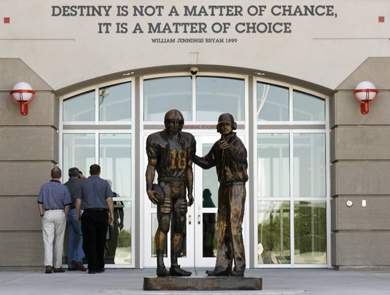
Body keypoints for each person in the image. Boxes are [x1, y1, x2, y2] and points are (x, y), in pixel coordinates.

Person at [193, 113, 248, 276]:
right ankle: (223, 266)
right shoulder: (218, 145)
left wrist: (229, 149)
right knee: (222, 226)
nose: (224, 127)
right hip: (223, 187)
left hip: (237, 186)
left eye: (227, 124)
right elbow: (206, 162)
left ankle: (239, 266)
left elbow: (242, 159)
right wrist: (191, 156)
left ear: (233, 126)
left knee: (235, 227)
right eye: (221, 124)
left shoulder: (237, 143)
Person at [145, 109, 195, 277]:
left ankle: (174, 264)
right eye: (170, 122)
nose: (174, 125)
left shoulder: (188, 139)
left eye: (177, 122)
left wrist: (191, 191)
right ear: (165, 122)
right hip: (165, 186)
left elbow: (189, 168)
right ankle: (160, 264)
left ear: (182, 123)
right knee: (164, 226)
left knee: (179, 229)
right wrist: (149, 187)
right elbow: (151, 166)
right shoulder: (155, 139)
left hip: (180, 188)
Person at [77, 164, 114, 274]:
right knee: (101, 241)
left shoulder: (83, 184)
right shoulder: (104, 183)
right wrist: (111, 214)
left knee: (89, 241)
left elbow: (78, 201)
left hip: (88, 214)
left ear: (90, 172)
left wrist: (78, 214)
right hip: (101, 214)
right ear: (99, 172)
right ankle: (100, 266)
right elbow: (109, 200)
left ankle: (92, 267)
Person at [37, 166, 72, 274]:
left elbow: (39, 202)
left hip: (47, 213)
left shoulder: (44, 187)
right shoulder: (64, 188)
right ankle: (57, 266)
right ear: (60, 176)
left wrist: (42, 213)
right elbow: (67, 204)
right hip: (60, 212)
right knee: (59, 240)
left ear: (51, 175)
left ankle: (48, 265)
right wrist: (64, 215)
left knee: (48, 240)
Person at [64, 167, 86, 271]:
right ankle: (77, 258)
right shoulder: (82, 183)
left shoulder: (65, 185)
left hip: (67, 213)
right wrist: (83, 178)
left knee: (72, 237)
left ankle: (70, 264)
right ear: (78, 175)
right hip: (77, 212)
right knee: (84, 235)